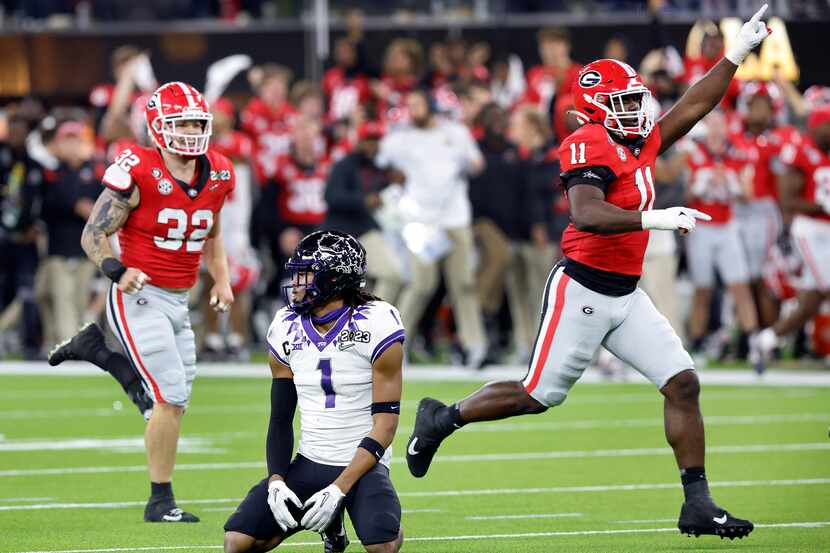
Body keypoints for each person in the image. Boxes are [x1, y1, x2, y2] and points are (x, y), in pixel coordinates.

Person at [405, 5, 771, 541]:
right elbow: (587, 212)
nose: (636, 111)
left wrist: (735, 54)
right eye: (622, 102)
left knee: (683, 383)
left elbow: (693, 106)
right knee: (537, 395)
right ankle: (442, 419)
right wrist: (655, 218)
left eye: (635, 101)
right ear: (596, 109)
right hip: (582, 288)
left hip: (626, 293)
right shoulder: (588, 142)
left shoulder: (634, 140)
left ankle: (697, 503)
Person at [48, 81, 236, 523]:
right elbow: (93, 233)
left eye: (196, 123)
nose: (190, 132)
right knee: (168, 396)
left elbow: (213, 231)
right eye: (181, 123)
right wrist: (119, 270)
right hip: (138, 293)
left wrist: (222, 279)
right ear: (157, 126)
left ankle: (97, 350)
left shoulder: (220, 172)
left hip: (179, 298)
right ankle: (160, 500)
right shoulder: (139, 170)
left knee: (173, 398)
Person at [223, 230, 404, 553]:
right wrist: (277, 479)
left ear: (334, 279)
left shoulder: (377, 322)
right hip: (312, 459)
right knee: (237, 542)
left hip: (362, 463)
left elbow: (386, 426)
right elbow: (280, 418)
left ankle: (349, 513)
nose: (296, 284)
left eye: (305, 275)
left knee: (382, 545)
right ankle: (332, 527)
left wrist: (339, 488)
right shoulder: (284, 325)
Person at [375, 88, 487, 369]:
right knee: (421, 284)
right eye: (409, 105)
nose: (412, 110)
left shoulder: (456, 133)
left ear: (431, 105)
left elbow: (477, 164)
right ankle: (394, 344)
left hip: (455, 218)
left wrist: (469, 164)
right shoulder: (401, 138)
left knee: (463, 284)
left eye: (417, 103)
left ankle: (474, 346)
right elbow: (379, 162)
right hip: (420, 221)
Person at [758, 104, 830, 358]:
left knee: (812, 300)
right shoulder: (800, 151)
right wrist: (822, 205)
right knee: (825, 288)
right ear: (818, 126)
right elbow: (788, 201)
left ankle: (767, 340)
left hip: (826, 230)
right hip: (810, 230)